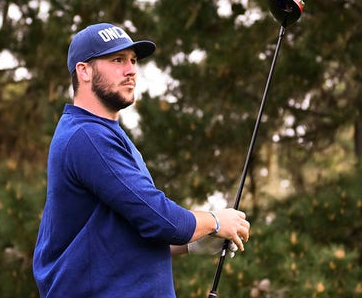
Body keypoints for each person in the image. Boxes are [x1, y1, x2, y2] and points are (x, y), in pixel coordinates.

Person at [32, 22, 251, 297]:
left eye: (133, 61)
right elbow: (163, 220)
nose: (131, 70)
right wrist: (215, 221)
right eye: (117, 60)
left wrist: (193, 243)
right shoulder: (87, 136)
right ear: (83, 70)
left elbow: (136, 231)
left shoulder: (107, 135)